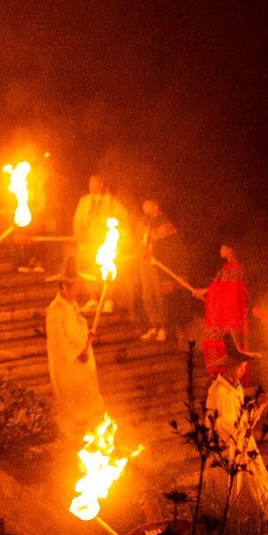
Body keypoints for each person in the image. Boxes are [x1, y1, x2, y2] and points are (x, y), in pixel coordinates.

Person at [204, 331, 268, 520]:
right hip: (226, 449)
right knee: (229, 491)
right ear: (230, 367)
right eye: (241, 367)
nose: (244, 371)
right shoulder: (217, 391)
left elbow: (241, 414)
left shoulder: (236, 388)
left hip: (242, 443)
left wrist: (256, 405)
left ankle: (250, 521)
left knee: (252, 483)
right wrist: (233, 433)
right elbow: (214, 422)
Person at [44, 257, 106, 438]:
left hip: (83, 361)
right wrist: (77, 354)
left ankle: (94, 434)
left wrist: (88, 336)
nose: (78, 290)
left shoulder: (73, 305)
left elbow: (76, 330)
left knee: (89, 398)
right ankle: (75, 436)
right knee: (74, 404)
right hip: (68, 365)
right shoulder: (55, 310)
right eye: (75, 286)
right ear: (64, 286)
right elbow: (57, 341)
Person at [72, 175, 129, 308]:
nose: (90, 185)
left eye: (93, 183)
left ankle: (107, 299)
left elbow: (124, 219)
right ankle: (93, 299)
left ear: (101, 184)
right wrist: (80, 236)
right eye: (89, 182)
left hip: (104, 243)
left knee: (105, 269)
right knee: (89, 271)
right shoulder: (84, 200)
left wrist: (118, 237)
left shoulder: (111, 201)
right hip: (87, 243)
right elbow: (77, 220)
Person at [198, 244, 251, 379]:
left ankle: (228, 374)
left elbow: (224, 291)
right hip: (231, 315)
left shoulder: (235, 268)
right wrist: (204, 292)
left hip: (231, 315)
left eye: (223, 248)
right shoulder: (228, 268)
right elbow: (218, 287)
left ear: (230, 250)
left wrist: (206, 293)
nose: (220, 250)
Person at [134, 200, 177, 342]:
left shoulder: (164, 220)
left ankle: (163, 328)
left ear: (155, 205)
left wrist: (155, 253)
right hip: (144, 262)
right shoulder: (143, 221)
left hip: (157, 264)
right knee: (147, 295)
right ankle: (154, 326)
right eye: (143, 204)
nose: (143, 206)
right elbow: (138, 238)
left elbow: (167, 243)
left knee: (159, 296)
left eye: (147, 204)